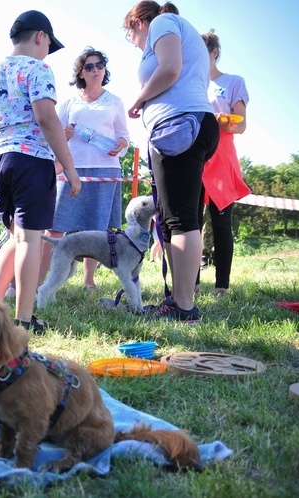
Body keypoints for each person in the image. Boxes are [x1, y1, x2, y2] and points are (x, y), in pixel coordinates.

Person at [0, 10, 81, 332]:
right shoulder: (38, 69)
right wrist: (71, 169)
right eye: (49, 44)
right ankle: (24, 319)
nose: (47, 51)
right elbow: (47, 119)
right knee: (30, 241)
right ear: (40, 37)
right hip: (30, 160)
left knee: (16, 236)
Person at [124, 1, 219, 323]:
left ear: (137, 22)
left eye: (130, 35)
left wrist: (139, 99)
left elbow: (170, 70)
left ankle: (184, 305)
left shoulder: (163, 24)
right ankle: (179, 299)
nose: (135, 43)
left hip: (179, 126)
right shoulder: (181, 31)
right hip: (188, 125)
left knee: (179, 220)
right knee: (175, 217)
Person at [43, 47, 130, 291]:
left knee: (97, 229)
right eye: (89, 66)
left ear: (105, 70)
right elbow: (53, 134)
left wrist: (121, 145)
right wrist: (65, 135)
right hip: (72, 168)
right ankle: (46, 277)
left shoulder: (115, 101)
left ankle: (88, 280)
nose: (95, 70)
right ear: (81, 72)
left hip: (105, 170)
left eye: (99, 65)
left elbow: (124, 135)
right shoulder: (69, 102)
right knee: (56, 225)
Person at [197, 29, 251, 300]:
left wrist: (215, 120)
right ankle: (190, 284)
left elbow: (240, 124)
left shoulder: (233, 82)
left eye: (201, 49)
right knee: (190, 224)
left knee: (221, 225)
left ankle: (222, 287)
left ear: (214, 52)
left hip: (222, 160)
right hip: (193, 158)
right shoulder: (188, 83)